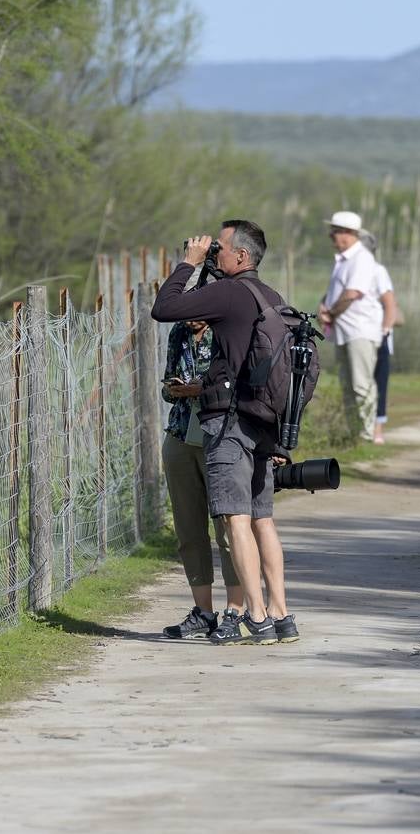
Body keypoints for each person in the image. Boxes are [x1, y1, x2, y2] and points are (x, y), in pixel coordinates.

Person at [151, 219, 297, 646]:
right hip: (262, 421)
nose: (216, 254)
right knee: (263, 521)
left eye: (222, 248)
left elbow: (165, 307)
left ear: (242, 257)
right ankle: (281, 615)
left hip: (229, 424)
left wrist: (188, 262)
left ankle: (254, 615)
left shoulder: (231, 293)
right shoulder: (270, 297)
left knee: (236, 521)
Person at [160, 302, 244, 639]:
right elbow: (167, 385)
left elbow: (237, 383)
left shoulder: (228, 332)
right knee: (189, 529)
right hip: (181, 433)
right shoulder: (178, 333)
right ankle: (203, 611)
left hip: (219, 434)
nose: (192, 316)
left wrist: (203, 388)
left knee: (227, 526)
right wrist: (174, 389)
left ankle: (235, 610)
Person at [316, 210, 382, 441]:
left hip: (359, 331)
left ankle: (365, 434)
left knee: (361, 384)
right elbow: (337, 291)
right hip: (346, 332)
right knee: (349, 385)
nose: (331, 236)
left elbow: (351, 293)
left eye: (334, 231)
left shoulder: (361, 259)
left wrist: (331, 313)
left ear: (346, 234)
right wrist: (324, 305)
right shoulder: (344, 260)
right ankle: (355, 431)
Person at [358, 229, 399, 444]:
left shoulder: (377, 271)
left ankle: (378, 429)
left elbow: (390, 303)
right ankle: (360, 428)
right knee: (361, 384)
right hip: (357, 337)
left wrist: (384, 331)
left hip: (377, 338)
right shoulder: (349, 270)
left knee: (378, 383)